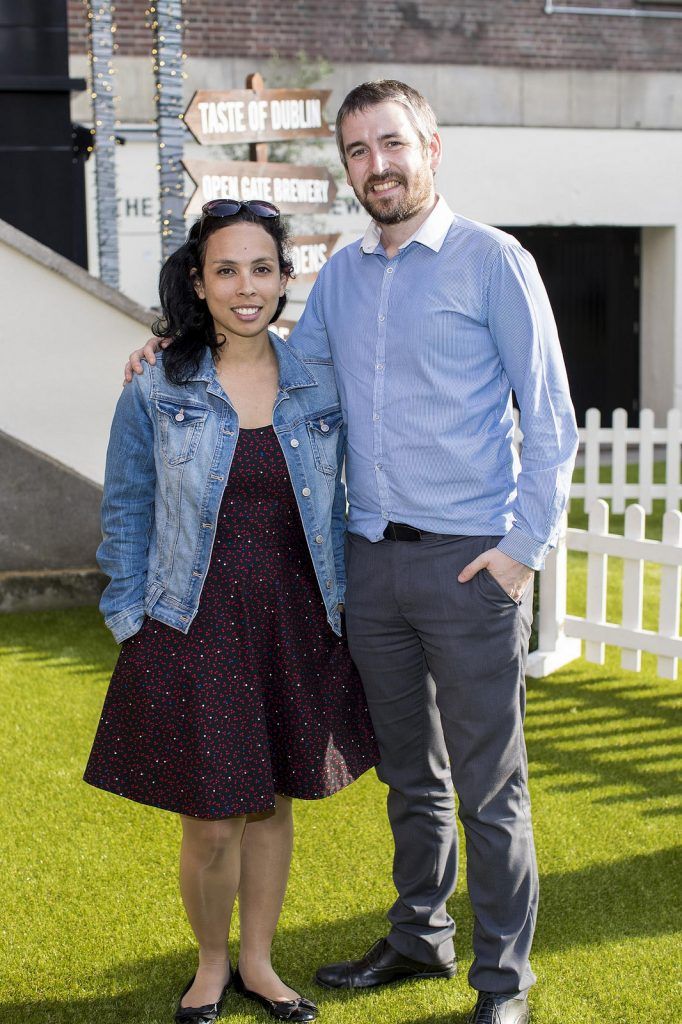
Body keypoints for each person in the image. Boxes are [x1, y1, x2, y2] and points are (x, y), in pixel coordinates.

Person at [126, 81, 579, 1024]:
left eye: (392, 144)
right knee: (410, 775)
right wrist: (172, 345)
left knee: (491, 793)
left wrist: (519, 553)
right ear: (348, 169)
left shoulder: (495, 262)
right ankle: (421, 937)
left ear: (432, 148)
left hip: (469, 565)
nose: (377, 165)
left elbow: (552, 416)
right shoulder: (340, 280)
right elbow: (277, 361)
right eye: (360, 152)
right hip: (367, 568)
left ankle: (504, 984)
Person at [85, 199, 378, 1024]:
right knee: (213, 817)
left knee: (274, 801)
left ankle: (259, 964)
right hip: (192, 623)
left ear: (285, 278)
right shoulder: (157, 385)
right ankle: (211, 965)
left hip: (294, 618)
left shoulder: (318, 379)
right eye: (226, 269)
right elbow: (127, 509)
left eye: (261, 268)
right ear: (198, 280)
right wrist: (130, 619)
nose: (245, 287)